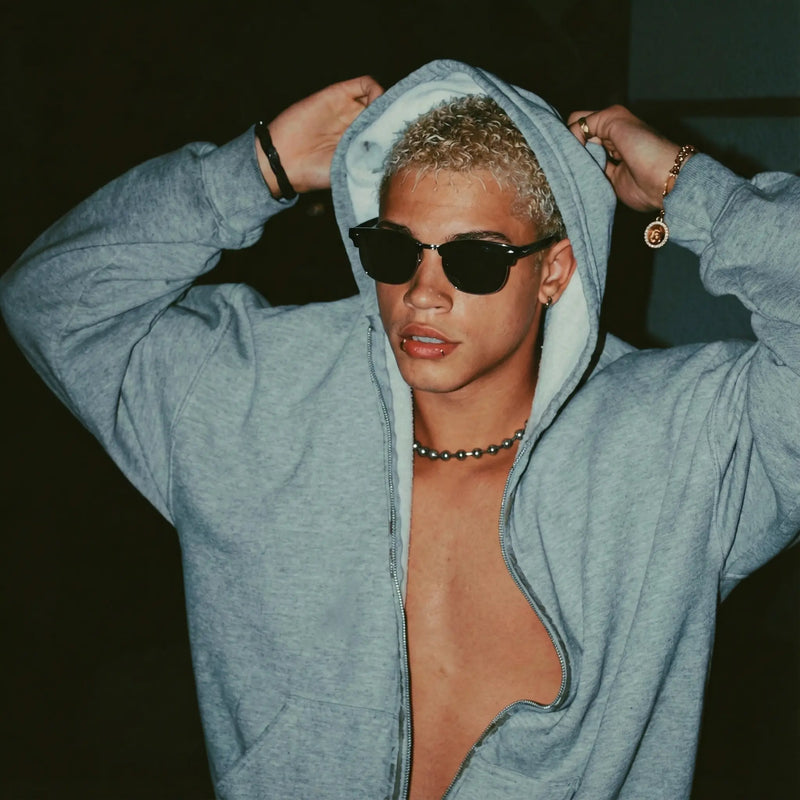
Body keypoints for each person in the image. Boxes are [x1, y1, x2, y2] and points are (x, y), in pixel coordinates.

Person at [1, 59, 797, 799]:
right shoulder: (255, 399)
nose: (423, 293)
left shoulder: (680, 448)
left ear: (553, 272)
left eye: (474, 261)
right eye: (393, 250)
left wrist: (690, 187)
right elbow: (51, 300)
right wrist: (252, 171)